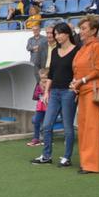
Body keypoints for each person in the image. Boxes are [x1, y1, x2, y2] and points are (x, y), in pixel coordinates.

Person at [32, 22, 79, 167]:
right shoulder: (54, 52)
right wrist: (46, 91)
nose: (56, 36)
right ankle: (46, 156)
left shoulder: (77, 50)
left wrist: (75, 88)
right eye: (55, 34)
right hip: (54, 92)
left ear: (67, 34)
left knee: (68, 126)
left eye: (59, 33)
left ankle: (66, 157)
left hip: (68, 93)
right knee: (47, 125)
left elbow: (78, 71)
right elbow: (51, 73)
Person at [70, 16, 99, 174]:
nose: (81, 31)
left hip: (92, 91)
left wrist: (82, 80)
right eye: (81, 28)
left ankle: (91, 164)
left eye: (84, 28)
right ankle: (86, 161)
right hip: (82, 91)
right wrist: (75, 81)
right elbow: (77, 69)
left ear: (93, 30)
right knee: (84, 128)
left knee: (92, 128)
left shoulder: (96, 46)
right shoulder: (82, 48)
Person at [28, 69, 49, 147]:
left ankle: (46, 139)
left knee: (47, 123)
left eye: (45, 78)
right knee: (36, 121)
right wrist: (40, 94)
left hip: (48, 107)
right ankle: (36, 138)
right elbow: (36, 95)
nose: (43, 80)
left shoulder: (50, 85)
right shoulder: (39, 84)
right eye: (42, 78)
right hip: (40, 107)